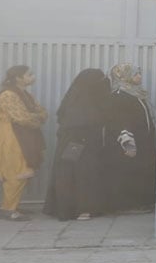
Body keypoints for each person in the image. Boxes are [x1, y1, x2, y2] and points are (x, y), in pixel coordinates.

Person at [44, 69, 110, 221]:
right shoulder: (84, 102)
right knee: (81, 176)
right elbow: (81, 123)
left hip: (75, 144)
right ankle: (82, 209)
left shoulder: (77, 96)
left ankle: (69, 209)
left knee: (71, 174)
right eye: (101, 80)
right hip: (79, 144)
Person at [0, 65, 48, 221]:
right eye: (29, 74)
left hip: (21, 133)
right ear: (18, 78)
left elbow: (43, 112)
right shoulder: (8, 94)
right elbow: (22, 117)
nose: (33, 77)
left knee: (23, 168)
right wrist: (37, 118)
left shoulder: (24, 94)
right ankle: (8, 209)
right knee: (15, 170)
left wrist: (36, 117)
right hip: (11, 135)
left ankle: (12, 205)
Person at [105, 63, 156, 213]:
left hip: (143, 141)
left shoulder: (137, 93)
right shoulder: (119, 96)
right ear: (123, 76)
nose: (139, 77)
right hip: (128, 142)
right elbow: (118, 120)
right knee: (128, 172)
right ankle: (126, 205)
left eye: (139, 73)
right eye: (135, 74)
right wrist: (127, 140)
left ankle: (141, 203)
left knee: (141, 172)